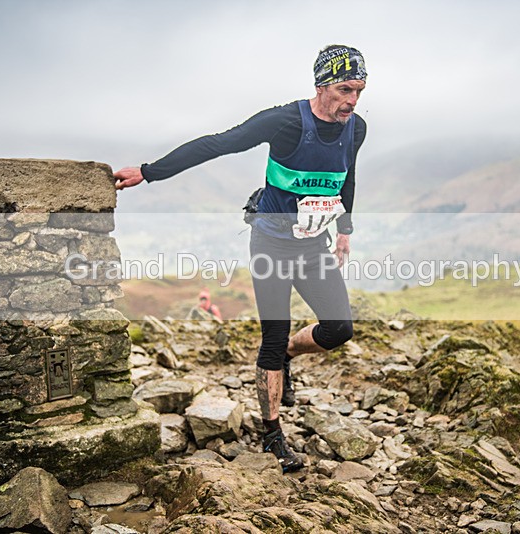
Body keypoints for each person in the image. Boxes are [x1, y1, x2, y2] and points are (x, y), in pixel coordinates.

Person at [114, 44, 367, 473]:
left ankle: (289, 351)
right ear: (321, 84)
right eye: (345, 89)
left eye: (360, 90)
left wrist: (344, 231)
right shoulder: (285, 122)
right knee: (271, 335)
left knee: (339, 328)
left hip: (311, 246)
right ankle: (273, 436)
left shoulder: (355, 128)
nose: (353, 100)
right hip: (270, 244)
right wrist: (149, 171)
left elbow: (348, 176)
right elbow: (219, 144)